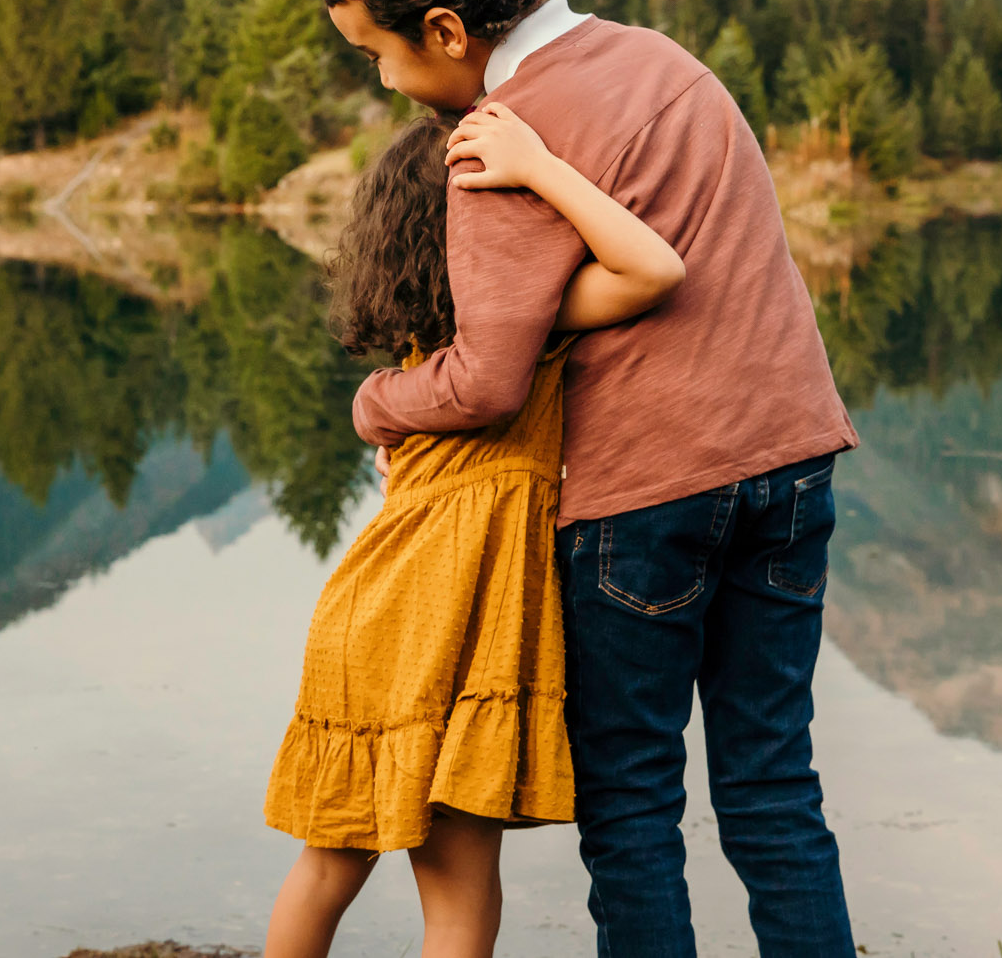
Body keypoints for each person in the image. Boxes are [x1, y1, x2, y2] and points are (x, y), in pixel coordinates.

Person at [314, 0, 860, 958]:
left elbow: (484, 379)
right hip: (795, 458)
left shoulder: (497, 138)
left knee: (632, 808)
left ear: (445, 28)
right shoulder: (661, 60)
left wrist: (377, 404)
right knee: (771, 785)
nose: (383, 82)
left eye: (377, 54)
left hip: (648, 494)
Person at [261, 103, 688, 958]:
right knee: (452, 896)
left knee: (328, 864)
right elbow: (652, 268)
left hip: (378, 611)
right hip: (456, 621)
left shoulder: (426, 357)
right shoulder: (528, 329)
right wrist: (538, 167)